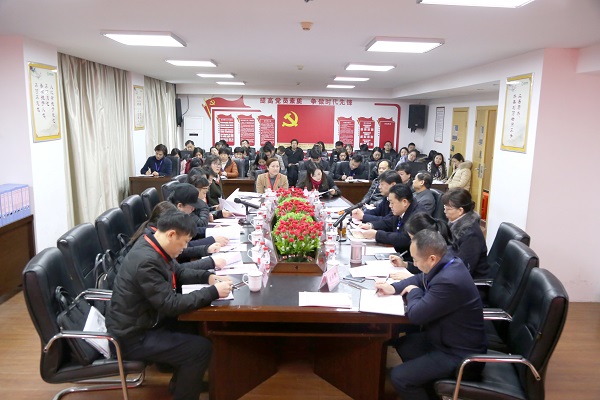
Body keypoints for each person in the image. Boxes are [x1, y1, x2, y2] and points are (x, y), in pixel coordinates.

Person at [106, 208, 234, 400]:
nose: (184, 248)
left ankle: (183, 383)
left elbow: (178, 272)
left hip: (146, 320)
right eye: (184, 243)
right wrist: (213, 292)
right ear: (171, 234)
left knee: (194, 326)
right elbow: (170, 305)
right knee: (200, 349)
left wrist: (209, 278)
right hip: (132, 337)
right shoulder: (147, 261)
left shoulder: (152, 244)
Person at [374, 229, 486, 400]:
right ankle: (430, 390)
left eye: (416, 260)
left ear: (432, 258)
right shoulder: (446, 262)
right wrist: (393, 288)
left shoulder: (449, 281)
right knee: (405, 345)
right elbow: (420, 278)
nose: (414, 263)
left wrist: (413, 292)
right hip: (445, 338)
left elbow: (416, 315)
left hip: (459, 354)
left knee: (399, 377)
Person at [357, 184, 426, 253]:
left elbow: (404, 239)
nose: (390, 206)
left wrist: (376, 235)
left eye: (392, 203)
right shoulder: (402, 210)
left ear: (404, 202)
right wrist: (370, 226)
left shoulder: (418, 216)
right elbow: (388, 222)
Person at [442, 188, 490, 280]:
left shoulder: (470, 235)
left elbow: (463, 268)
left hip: (472, 282)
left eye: (448, 208)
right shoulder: (454, 223)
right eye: (445, 207)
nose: (444, 211)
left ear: (460, 210)